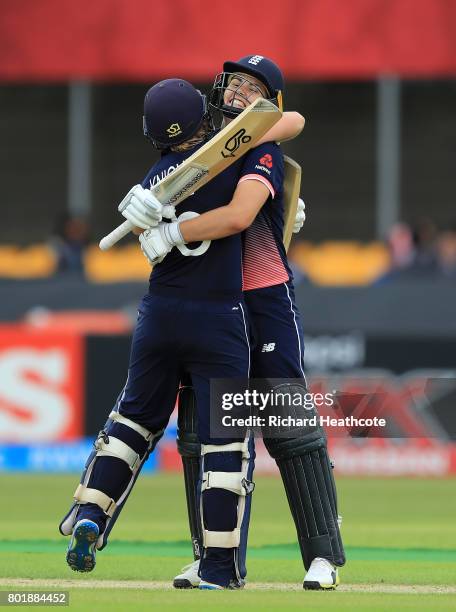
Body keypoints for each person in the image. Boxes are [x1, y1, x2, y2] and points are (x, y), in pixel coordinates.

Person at [59, 77, 293, 589]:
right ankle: (218, 567)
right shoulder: (233, 155)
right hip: (219, 318)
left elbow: (152, 221)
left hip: (159, 315)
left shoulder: (155, 176)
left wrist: (153, 225)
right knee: (225, 445)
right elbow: (274, 141)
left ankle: (91, 514)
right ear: (203, 116)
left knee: (133, 421)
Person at [138, 55, 345, 590]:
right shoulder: (199, 151)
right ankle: (213, 557)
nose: (238, 95)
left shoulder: (264, 146)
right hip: (209, 304)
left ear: (266, 100)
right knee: (208, 437)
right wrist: (150, 207)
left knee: (290, 430)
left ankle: (322, 558)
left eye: (254, 88)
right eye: (236, 85)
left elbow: (288, 125)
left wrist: (176, 230)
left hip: (263, 300)